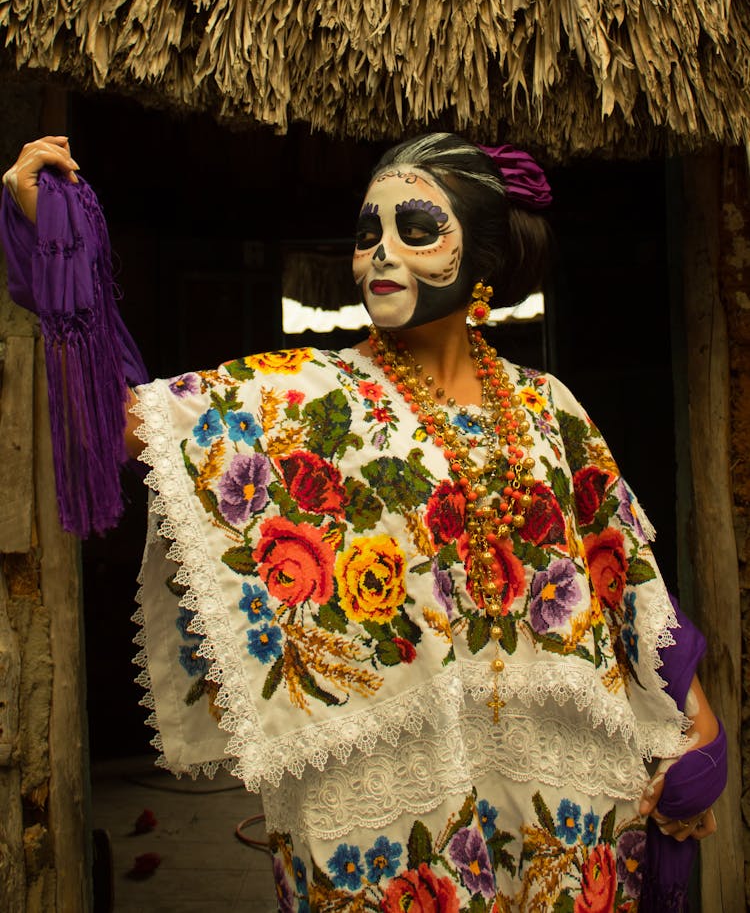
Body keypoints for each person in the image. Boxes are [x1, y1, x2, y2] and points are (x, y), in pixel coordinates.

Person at [1, 132, 726, 912]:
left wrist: (701, 728)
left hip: (568, 814)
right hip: (393, 833)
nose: (379, 253)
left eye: (415, 230)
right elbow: (114, 426)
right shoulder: (307, 398)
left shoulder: (552, 408)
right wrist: (59, 245)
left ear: (482, 258)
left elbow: (627, 577)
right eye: (366, 234)